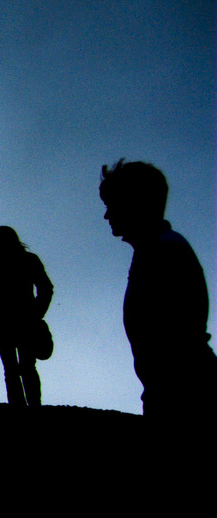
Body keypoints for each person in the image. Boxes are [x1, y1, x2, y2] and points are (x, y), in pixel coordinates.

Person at [100, 159, 215, 420]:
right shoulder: (155, 251)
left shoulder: (164, 252)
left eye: (111, 205)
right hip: (172, 394)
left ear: (134, 202)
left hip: (184, 398)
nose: (107, 215)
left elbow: (174, 343)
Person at [0, 226, 53, 407]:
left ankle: (26, 407)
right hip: (11, 320)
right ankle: (27, 407)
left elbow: (45, 288)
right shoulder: (25, 260)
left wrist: (37, 313)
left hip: (14, 319)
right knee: (19, 367)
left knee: (19, 367)